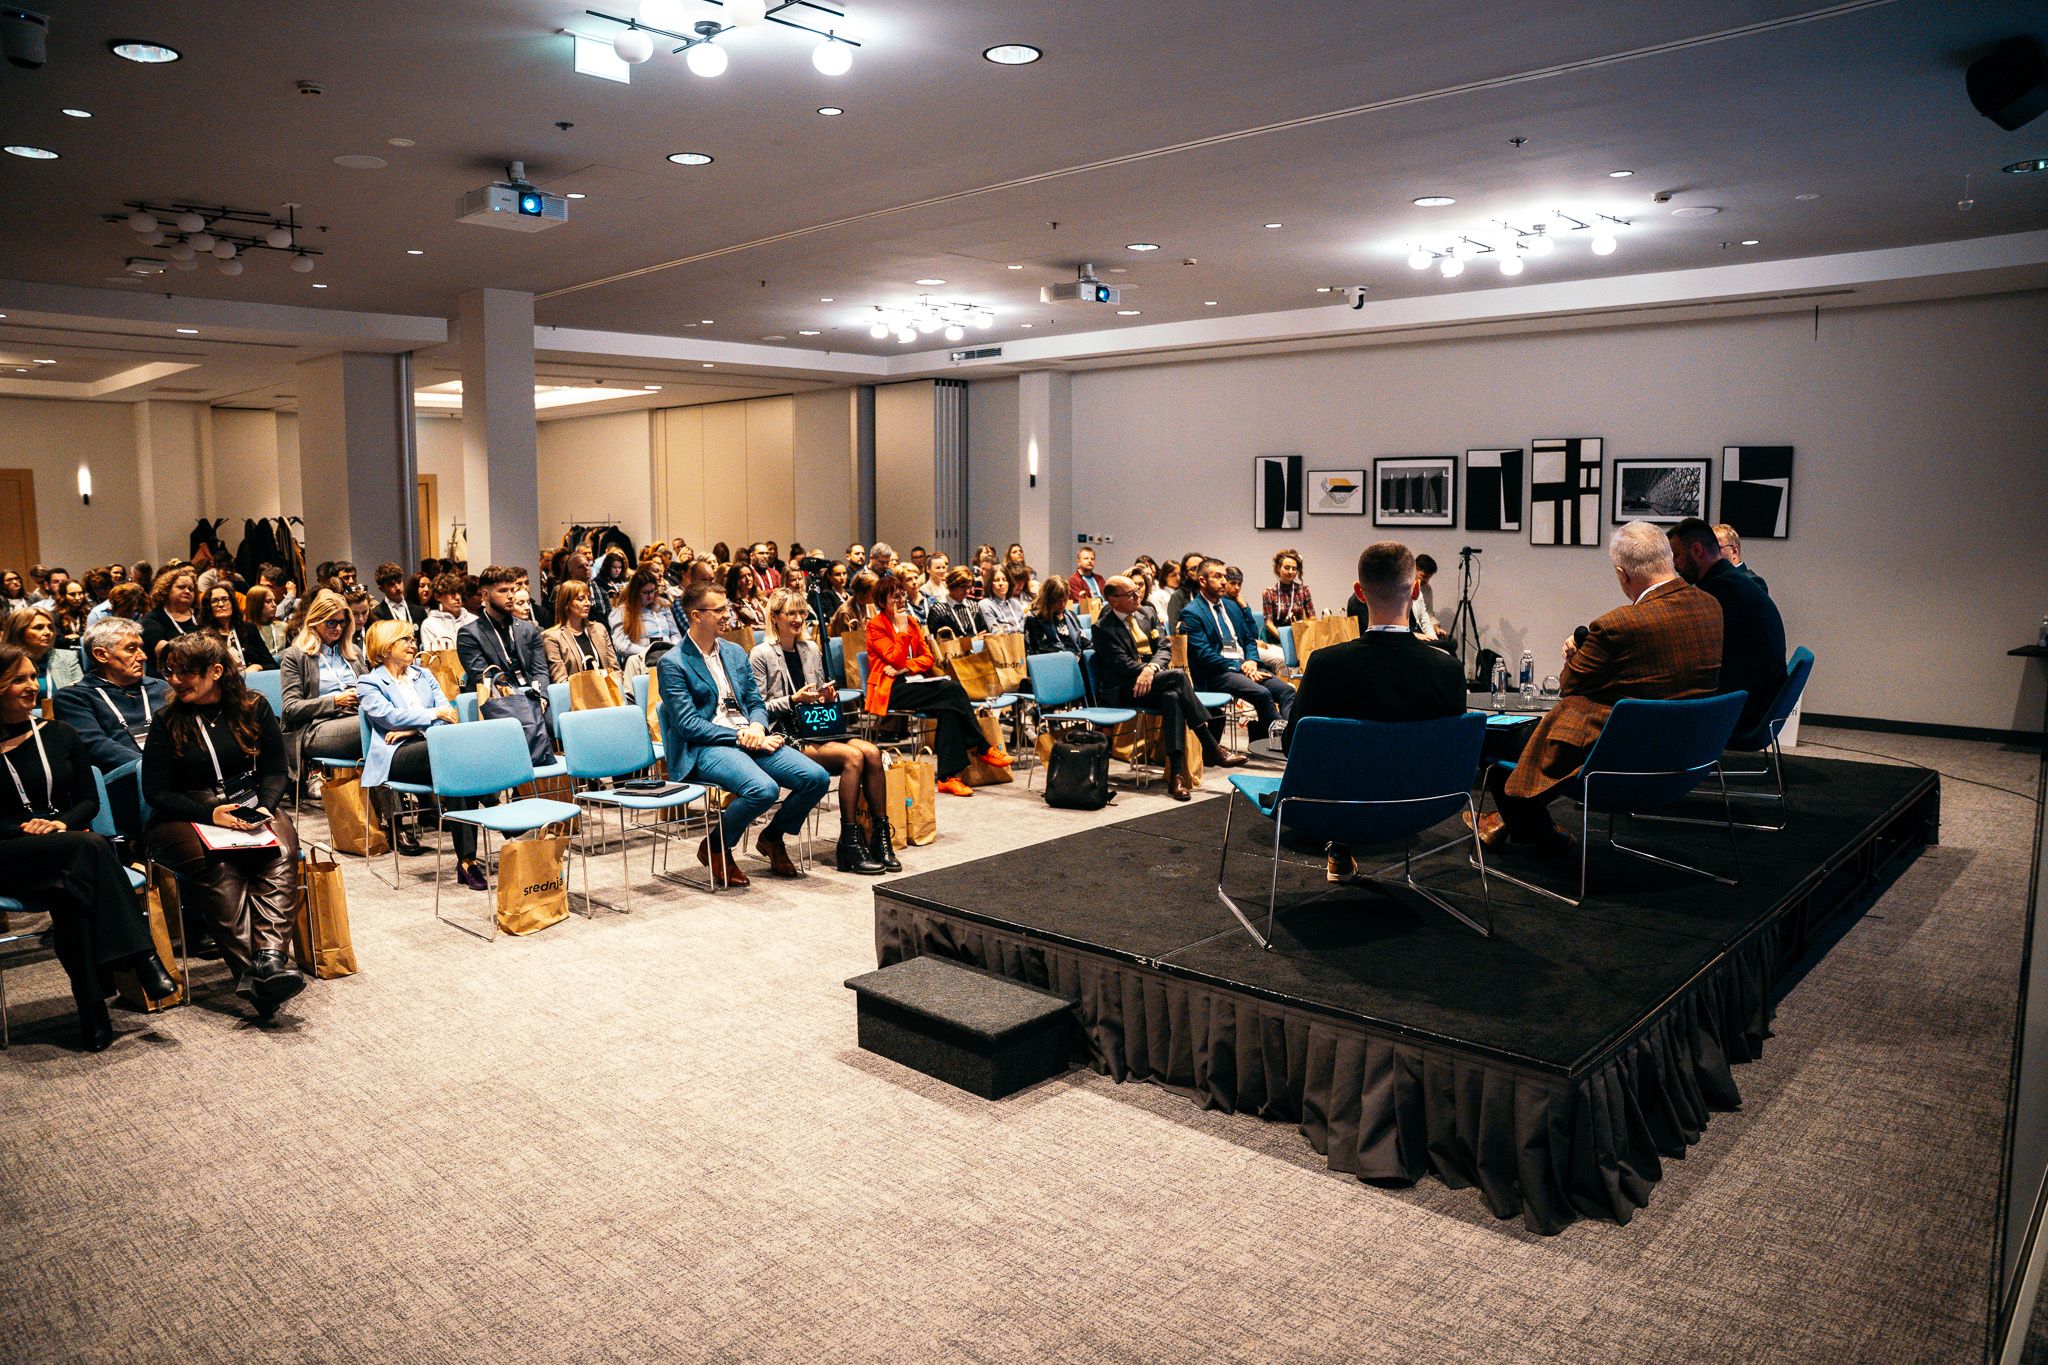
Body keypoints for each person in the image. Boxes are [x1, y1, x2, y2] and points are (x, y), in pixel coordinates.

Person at [1476, 521, 1723, 855]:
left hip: (1620, 759)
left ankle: (1538, 831)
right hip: (1687, 754)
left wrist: (1574, 653)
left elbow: (1570, 686)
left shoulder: (1617, 625)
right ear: (1669, 558)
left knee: (1495, 737)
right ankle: (1507, 821)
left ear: (1622, 574)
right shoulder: (1711, 607)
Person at [0, 642, 177, 1051]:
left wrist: (59, 823)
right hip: (8, 852)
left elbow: (88, 802)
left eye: (32, 676)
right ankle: (143, 958)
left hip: (63, 854)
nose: (32, 686)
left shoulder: (60, 734)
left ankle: (93, 1013)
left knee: (71, 892)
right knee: (91, 846)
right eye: (18, 680)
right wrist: (28, 827)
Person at [143, 634, 305, 1016]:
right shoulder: (168, 720)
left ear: (216, 672)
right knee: (220, 864)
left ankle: (266, 963)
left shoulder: (254, 707)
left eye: (186, 672)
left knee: (279, 852)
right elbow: (157, 792)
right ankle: (257, 973)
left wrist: (266, 808)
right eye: (171, 671)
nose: (175, 680)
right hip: (184, 813)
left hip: (251, 802)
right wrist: (210, 814)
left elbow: (275, 770)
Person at [1286, 543, 1468, 879]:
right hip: (1424, 805)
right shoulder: (1449, 669)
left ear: (1359, 591)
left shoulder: (1326, 664)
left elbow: (1292, 746)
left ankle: (1340, 847)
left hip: (1339, 809)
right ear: (1415, 590)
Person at [659, 581, 830, 887]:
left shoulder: (736, 652)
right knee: (764, 789)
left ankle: (773, 836)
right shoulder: (672, 663)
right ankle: (716, 845)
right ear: (697, 616)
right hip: (705, 746)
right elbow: (688, 725)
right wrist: (742, 737)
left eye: (727, 607)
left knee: (815, 779)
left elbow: (754, 702)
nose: (728, 614)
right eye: (720, 609)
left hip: (749, 736)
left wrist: (756, 726)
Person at [750, 589, 888, 875]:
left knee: (872, 753)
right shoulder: (760, 653)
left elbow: (821, 691)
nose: (799, 619)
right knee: (852, 758)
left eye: (802, 612)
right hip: (786, 731)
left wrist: (827, 695)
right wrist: (793, 700)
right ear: (774, 617)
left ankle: (880, 836)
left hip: (817, 724)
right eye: (791, 613)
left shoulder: (810, 649)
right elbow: (757, 707)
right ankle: (849, 843)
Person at [1093, 576, 1245, 801]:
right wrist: (1145, 671)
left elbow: (1164, 647)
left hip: (1152, 681)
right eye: (1131, 594)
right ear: (1113, 600)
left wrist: (1151, 668)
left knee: (1173, 696)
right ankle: (1210, 745)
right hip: (1123, 689)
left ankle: (1176, 777)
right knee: (1178, 676)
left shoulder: (1147, 613)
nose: (1138, 596)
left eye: (1138, 591)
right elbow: (1121, 664)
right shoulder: (1102, 628)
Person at [864, 571, 1009, 799]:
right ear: (882, 601)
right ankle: (981, 747)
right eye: (895, 597)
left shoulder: (911, 622)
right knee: (951, 691)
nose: (901, 601)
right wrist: (901, 633)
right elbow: (893, 658)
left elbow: (928, 658)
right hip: (891, 688)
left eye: (902, 596)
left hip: (915, 680)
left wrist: (906, 667)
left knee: (949, 706)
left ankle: (948, 778)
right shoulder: (876, 626)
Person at [357, 620, 479, 873]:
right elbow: (389, 718)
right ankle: (491, 799)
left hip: (432, 747)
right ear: (385, 645)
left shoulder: (423, 674)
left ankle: (468, 861)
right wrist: (431, 715)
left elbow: (450, 712)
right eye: (406, 640)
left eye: (413, 639)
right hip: (397, 756)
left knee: (454, 774)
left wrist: (413, 728)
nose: (413, 644)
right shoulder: (369, 683)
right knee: (456, 762)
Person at [1668, 517, 1788, 736]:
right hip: (1761, 699)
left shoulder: (1719, 592)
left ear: (1697, 551)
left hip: (1744, 708)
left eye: (1677, 556)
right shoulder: (1732, 582)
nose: (1674, 565)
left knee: (1654, 699)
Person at [1179, 558, 1296, 745]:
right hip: (1218, 672)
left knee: (1286, 691)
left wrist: (1251, 661)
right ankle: (1286, 743)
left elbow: (1250, 639)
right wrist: (1240, 666)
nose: (1224, 581)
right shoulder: (1192, 613)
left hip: (1245, 666)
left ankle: (1294, 736)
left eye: (1224, 576)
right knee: (1262, 694)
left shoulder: (1232, 606)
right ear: (1202, 581)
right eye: (1217, 577)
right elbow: (1204, 655)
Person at [55, 617, 172, 782]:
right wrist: (155, 767)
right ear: (101, 655)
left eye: (141, 648)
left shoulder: (161, 687)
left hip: (176, 774)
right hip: (124, 781)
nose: (143, 656)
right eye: (131, 649)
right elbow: (97, 746)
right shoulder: (73, 697)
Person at [279, 588, 365, 781]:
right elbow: (291, 708)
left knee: (396, 726)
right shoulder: (295, 655)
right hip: (316, 727)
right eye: (331, 622)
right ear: (315, 622)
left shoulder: (354, 652)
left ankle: (398, 805)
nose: (338, 628)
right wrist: (335, 701)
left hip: (356, 716)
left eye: (342, 622)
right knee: (377, 725)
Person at [456, 565, 548, 690]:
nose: (510, 596)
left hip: (532, 696)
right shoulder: (469, 635)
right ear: (485, 595)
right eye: (503, 591)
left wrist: (542, 696)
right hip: (498, 701)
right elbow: (485, 680)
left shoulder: (529, 629)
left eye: (512, 590)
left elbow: (540, 671)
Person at [543, 580, 621, 682]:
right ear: (566, 604)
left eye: (589, 598)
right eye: (581, 599)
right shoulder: (553, 637)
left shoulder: (599, 629)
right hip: (576, 695)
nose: (588, 603)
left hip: (607, 692)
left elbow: (615, 670)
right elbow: (560, 681)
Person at [197, 583, 276, 673]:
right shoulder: (203, 635)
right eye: (214, 601)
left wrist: (257, 666)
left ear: (232, 603)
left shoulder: (249, 629)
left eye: (225, 599)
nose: (221, 604)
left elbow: (272, 665)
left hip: (253, 681)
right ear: (208, 606)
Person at [610, 566, 682, 664]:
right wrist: (647, 652)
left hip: (668, 656)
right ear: (635, 592)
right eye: (645, 592)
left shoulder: (663, 605)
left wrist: (672, 649)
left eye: (653, 591)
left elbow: (675, 634)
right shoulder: (622, 611)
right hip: (640, 659)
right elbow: (621, 645)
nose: (650, 596)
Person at [6, 604, 82, 696]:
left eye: (50, 627)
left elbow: (81, 696)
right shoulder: (5, 661)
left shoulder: (68, 658)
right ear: (19, 632)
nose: (48, 632)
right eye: (38, 627)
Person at [140, 566, 202, 674]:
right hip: (166, 677)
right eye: (181, 587)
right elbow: (163, 651)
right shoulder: (153, 617)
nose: (187, 591)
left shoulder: (201, 615)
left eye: (191, 589)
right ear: (167, 590)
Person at [1024, 577, 1088, 658]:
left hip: (1075, 659)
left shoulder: (1070, 615)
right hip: (1053, 661)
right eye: (1058, 601)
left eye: (1065, 600)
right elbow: (1040, 648)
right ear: (1047, 599)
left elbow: (1082, 640)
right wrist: (1068, 656)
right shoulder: (1034, 618)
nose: (1062, 605)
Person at [1262, 549, 1315, 637]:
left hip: (1298, 637)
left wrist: (1303, 636)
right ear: (1278, 568)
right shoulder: (1269, 593)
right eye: (1286, 568)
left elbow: (1312, 618)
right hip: (1274, 638)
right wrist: (1284, 640)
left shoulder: (1304, 591)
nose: (1290, 572)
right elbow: (1269, 623)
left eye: (1294, 569)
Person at [419, 570, 473, 652]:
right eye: (452, 593)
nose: (458, 597)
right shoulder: (429, 625)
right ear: (438, 596)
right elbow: (434, 659)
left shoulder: (474, 620)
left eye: (459, 592)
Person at [928, 567, 986, 638]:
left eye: (969, 587)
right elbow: (941, 642)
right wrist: (971, 642)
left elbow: (984, 632)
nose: (967, 591)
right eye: (963, 587)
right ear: (952, 585)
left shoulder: (974, 606)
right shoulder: (938, 610)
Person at [370, 561, 422, 639]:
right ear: (381, 588)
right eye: (391, 584)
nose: (398, 587)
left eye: (399, 581)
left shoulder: (419, 611)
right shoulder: (376, 614)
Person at [1714, 524, 1769, 594]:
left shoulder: (1753, 581)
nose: (1710, 554)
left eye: (1716, 548)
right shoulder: (1709, 579)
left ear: (1734, 551)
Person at [243, 584, 289, 661]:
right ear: (256, 604)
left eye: (274, 601)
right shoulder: (245, 631)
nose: (274, 605)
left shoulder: (284, 626)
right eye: (268, 601)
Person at [980, 567, 1027, 634]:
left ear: (1009, 583)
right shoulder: (985, 604)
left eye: (1004, 580)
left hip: (1020, 642)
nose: (1001, 584)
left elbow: (1023, 628)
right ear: (990, 583)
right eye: (996, 580)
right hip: (1000, 642)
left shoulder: (1016, 603)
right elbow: (995, 631)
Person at [809, 560, 850, 634]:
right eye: (837, 574)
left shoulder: (851, 593)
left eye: (844, 573)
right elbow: (831, 618)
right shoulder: (827, 595)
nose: (842, 577)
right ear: (829, 577)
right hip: (838, 633)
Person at [723, 563, 768, 631]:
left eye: (749, 575)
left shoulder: (760, 599)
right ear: (735, 581)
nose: (748, 579)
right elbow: (736, 627)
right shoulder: (731, 604)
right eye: (742, 576)